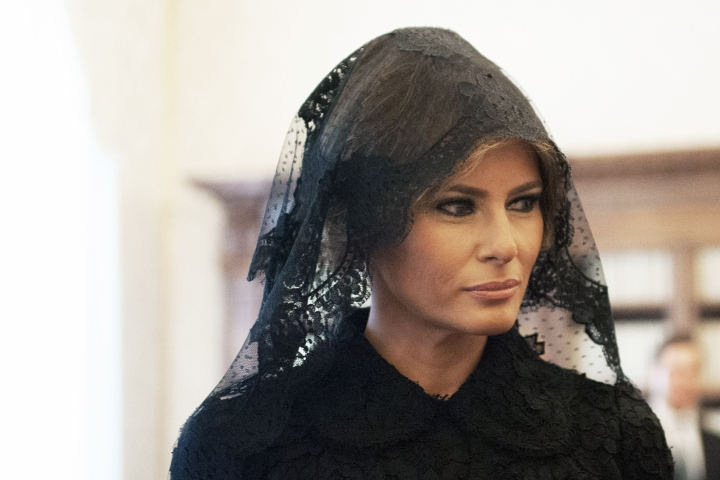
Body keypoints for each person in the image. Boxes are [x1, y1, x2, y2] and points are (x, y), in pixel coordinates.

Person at [170, 27, 673, 479]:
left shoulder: (616, 439)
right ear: (363, 223)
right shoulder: (240, 446)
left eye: (523, 203)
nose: (506, 245)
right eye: (457, 207)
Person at [649, 335, 720, 480]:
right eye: (677, 371)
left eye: (693, 371)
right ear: (653, 373)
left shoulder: (714, 439)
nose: (686, 380)